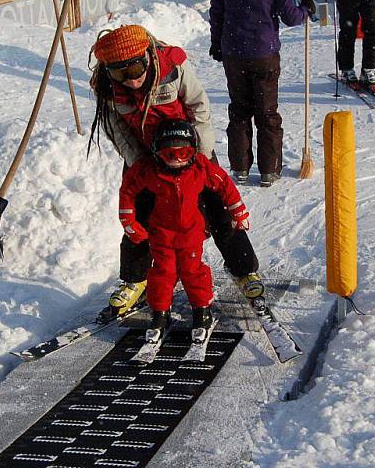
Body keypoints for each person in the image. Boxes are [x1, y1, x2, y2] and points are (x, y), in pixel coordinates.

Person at [88, 25, 263, 322]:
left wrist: (201, 156)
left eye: (135, 67)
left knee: (219, 212)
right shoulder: (105, 88)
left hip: (190, 151)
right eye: (120, 74)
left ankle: (244, 270)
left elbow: (199, 106)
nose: (131, 80)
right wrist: (140, 164)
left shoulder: (173, 65)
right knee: (139, 216)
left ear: (147, 56)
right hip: (145, 157)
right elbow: (116, 129)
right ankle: (135, 279)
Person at [118, 119, 250, 342]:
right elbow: (128, 189)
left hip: (190, 234)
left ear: (193, 151)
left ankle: (201, 310)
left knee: (193, 271)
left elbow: (224, 184)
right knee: (163, 272)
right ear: (157, 152)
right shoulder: (149, 170)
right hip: (161, 235)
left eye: (184, 153)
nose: (178, 161)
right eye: (170, 155)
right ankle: (160, 312)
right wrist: (129, 221)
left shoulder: (200, 167)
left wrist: (238, 211)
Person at [209, 0, 313, 187]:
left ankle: (240, 167)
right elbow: (290, 16)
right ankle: (269, 169)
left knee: (240, 110)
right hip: (263, 52)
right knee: (266, 112)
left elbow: (216, 11)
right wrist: (305, 10)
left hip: (234, 52)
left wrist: (217, 43)